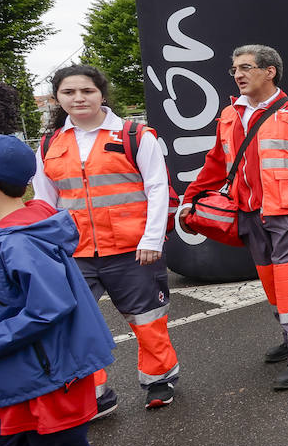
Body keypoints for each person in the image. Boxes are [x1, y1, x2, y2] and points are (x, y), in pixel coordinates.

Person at [0, 135, 142, 446]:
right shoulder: (15, 232)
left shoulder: (19, 241)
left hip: (48, 371)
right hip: (20, 373)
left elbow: (47, 306)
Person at [183, 45, 288, 390]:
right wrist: (190, 199)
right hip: (249, 213)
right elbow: (216, 162)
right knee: (273, 283)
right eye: (234, 70)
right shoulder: (231, 115)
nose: (238, 75)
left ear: (270, 71)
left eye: (246, 67)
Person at [32, 66, 180, 411]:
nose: (79, 98)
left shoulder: (135, 135)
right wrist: (46, 249)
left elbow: (157, 188)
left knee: (147, 319)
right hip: (74, 252)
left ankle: (159, 380)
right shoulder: (50, 144)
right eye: (69, 93)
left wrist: (152, 239)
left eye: (87, 91)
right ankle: (96, 396)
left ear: (101, 93)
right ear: (58, 98)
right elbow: (44, 201)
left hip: (133, 249)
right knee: (74, 324)